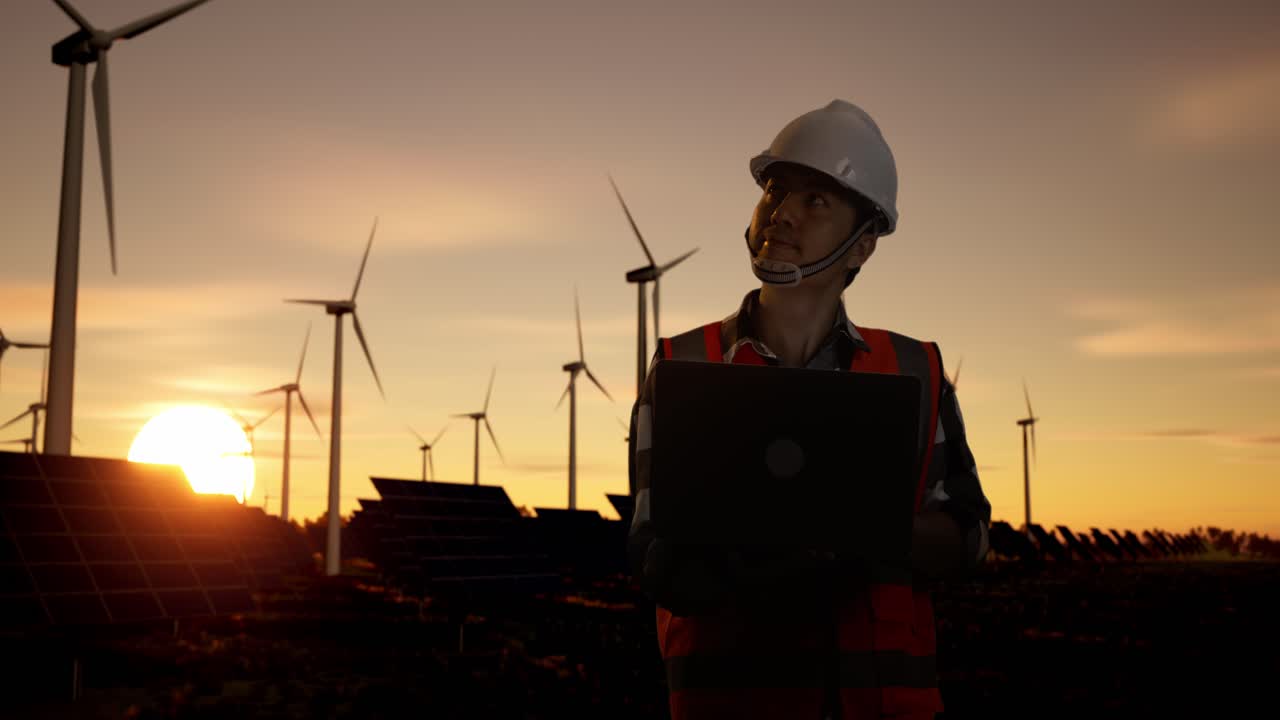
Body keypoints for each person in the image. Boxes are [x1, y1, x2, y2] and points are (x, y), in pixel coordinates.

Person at [626, 99, 992, 720]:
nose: (783, 212)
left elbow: (971, 537)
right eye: (774, 190)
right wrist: (738, 558)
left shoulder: (916, 372)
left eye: (815, 199)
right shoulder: (681, 365)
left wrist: (861, 530)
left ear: (863, 245)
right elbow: (649, 549)